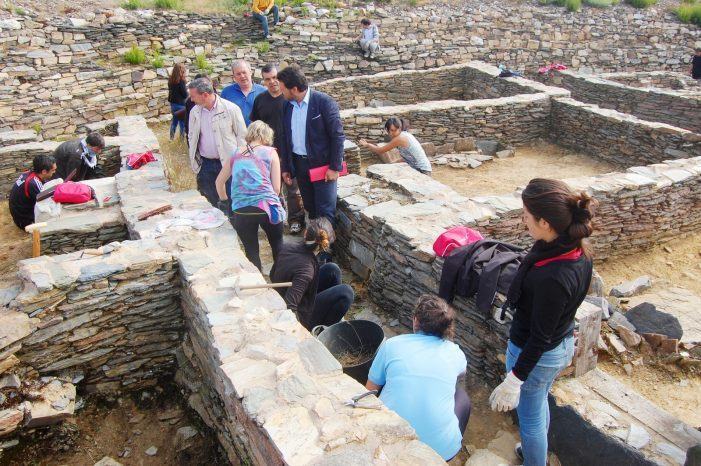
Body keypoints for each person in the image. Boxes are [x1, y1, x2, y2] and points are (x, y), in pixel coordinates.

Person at [489, 178, 596, 466]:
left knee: (531, 415)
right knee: (538, 401)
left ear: (546, 223)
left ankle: (535, 461)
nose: (523, 220)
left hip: (537, 354)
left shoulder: (553, 278)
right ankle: (535, 450)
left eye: (526, 215)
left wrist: (514, 380)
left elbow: (539, 337)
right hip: (560, 345)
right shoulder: (576, 251)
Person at [365, 295, 469, 461]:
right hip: (441, 452)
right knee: (461, 396)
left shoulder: (393, 345)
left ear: (415, 321)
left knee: (386, 381)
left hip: (388, 442)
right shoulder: (456, 353)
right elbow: (460, 375)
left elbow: (369, 391)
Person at [277, 65, 345, 225]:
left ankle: (324, 250)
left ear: (293, 89)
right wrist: (286, 167)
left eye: (283, 89)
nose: (281, 93)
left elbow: (338, 136)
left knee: (325, 211)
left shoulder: (324, 102)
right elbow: (285, 137)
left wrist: (335, 167)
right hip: (300, 165)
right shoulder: (287, 106)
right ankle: (315, 244)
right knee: (310, 207)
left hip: (323, 166)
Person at [215, 120, 285, 271]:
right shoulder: (271, 153)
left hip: (241, 209)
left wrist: (226, 202)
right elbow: (277, 188)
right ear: (267, 137)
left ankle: (257, 286)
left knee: (251, 251)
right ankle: (281, 282)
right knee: (278, 245)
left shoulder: (235, 153)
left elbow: (219, 182)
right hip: (267, 206)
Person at [250, 64, 305, 234]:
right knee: (272, 188)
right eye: (268, 79)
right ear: (263, 81)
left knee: (293, 188)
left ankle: (295, 220)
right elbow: (255, 126)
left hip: (290, 152)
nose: (272, 82)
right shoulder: (260, 100)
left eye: (274, 78)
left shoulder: (290, 99)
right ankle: (277, 218)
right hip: (267, 155)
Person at [270, 220, 354, 330]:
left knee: (332, 269)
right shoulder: (306, 270)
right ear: (325, 245)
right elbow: (289, 306)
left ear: (305, 234)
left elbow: (272, 274)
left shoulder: (287, 246)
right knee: (346, 293)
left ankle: (331, 311)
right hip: (301, 314)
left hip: (293, 293)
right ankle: (322, 329)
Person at [187, 77, 247, 208]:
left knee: (233, 201)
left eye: (193, 96)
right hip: (205, 165)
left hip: (228, 164)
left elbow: (242, 138)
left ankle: (235, 227)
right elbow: (192, 137)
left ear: (205, 95)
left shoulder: (231, 109)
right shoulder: (194, 112)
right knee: (210, 202)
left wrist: (240, 164)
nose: (191, 100)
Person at [359, 117, 432, 175]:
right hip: (421, 169)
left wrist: (367, 145)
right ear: (387, 130)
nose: (393, 133)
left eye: (395, 130)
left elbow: (380, 151)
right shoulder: (403, 135)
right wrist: (392, 164)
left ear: (400, 129)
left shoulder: (400, 138)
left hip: (423, 171)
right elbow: (408, 157)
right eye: (391, 130)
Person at [9, 154, 57, 229]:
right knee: (55, 217)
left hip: (18, 214)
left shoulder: (28, 173)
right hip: (25, 221)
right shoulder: (33, 183)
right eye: (53, 170)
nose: (54, 172)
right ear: (44, 171)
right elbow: (47, 202)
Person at [221, 60, 267, 127]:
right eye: (238, 74)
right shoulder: (226, 92)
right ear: (234, 76)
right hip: (235, 135)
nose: (242, 76)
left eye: (244, 72)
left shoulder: (263, 92)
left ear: (250, 72)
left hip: (257, 135)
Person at [167, 63, 188, 140]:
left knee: (174, 122)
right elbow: (185, 95)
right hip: (181, 105)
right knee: (182, 123)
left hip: (173, 104)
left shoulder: (170, 80)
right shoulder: (181, 81)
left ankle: (171, 138)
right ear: (181, 71)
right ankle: (182, 140)